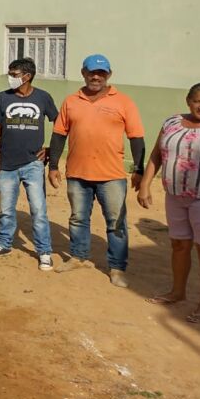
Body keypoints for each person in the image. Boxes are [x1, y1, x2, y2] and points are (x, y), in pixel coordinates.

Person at [49, 54, 144, 287]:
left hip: (111, 176)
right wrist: (53, 166)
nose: (96, 77)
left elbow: (137, 138)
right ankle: (79, 257)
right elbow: (59, 134)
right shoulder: (71, 101)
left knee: (116, 222)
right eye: (91, 72)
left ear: (108, 75)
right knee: (78, 219)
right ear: (83, 73)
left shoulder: (123, 102)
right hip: (77, 173)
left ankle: (117, 267)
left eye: (101, 73)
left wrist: (138, 169)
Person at [138, 83, 200, 324]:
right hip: (175, 195)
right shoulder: (172, 122)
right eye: (198, 100)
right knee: (179, 244)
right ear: (188, 100)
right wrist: (145, 184)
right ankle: (178, 292)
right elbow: (157, 154)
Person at [0, 57, 59, 270]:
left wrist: (50, 149)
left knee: (38, 209)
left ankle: (44, 251)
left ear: (27, 76)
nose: (10, 78)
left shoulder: (43, 98)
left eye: (14, 74)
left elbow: (59, 123)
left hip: (33, 164)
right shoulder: (2, 98)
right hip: (7, 163)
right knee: (6, 209)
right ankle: (4, 243)